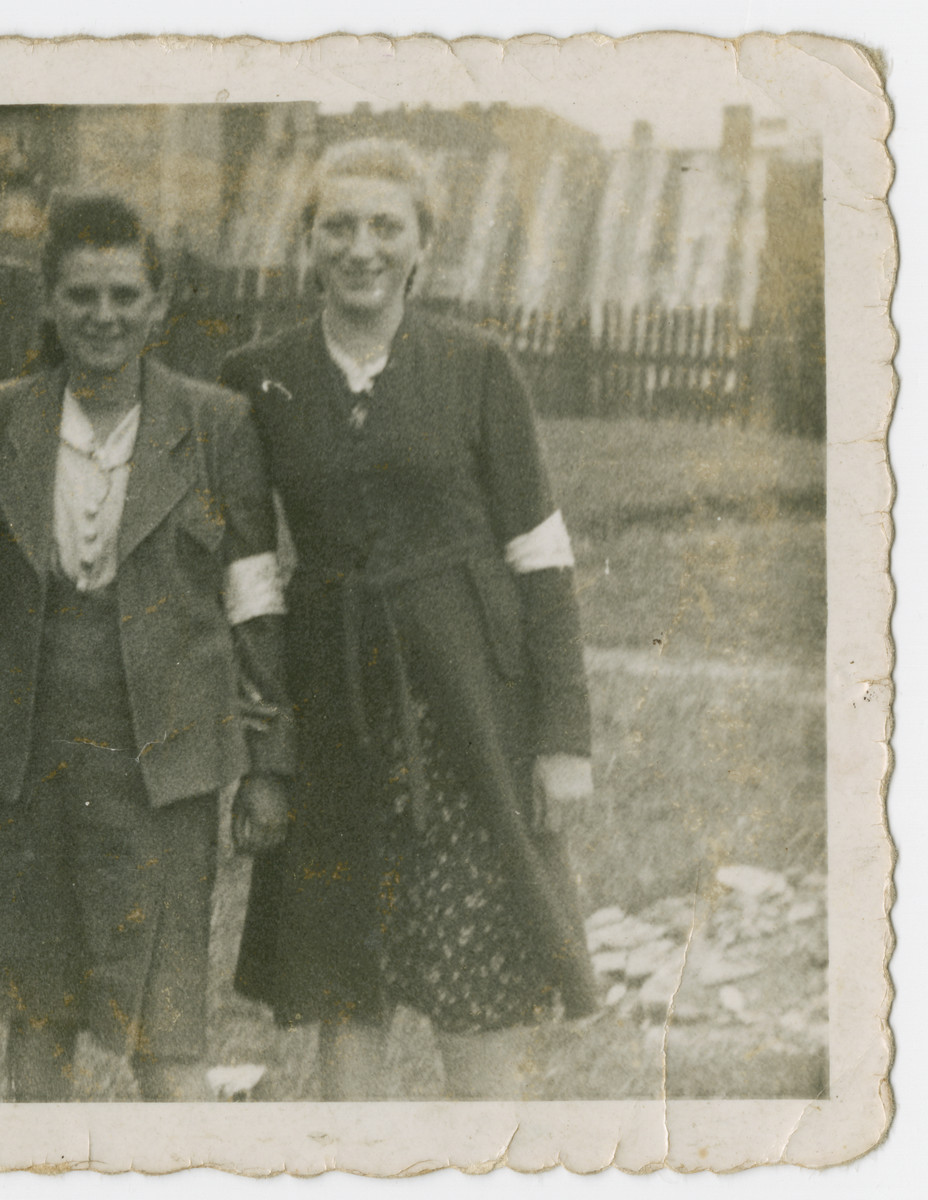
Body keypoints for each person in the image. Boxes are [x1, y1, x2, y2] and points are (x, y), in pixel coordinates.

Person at [219, 139, 599, 1101]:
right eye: (338, 226)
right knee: (348, 964)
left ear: (422, 245)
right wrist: (268, 748)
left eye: (386, 226)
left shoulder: (477, 366)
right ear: (307, 241)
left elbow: (541, 558)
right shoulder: (258, 376)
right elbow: (253, 580)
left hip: (469, 700)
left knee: (479, 961)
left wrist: (563, 739)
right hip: (335, 700)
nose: (361, 247)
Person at [0, 195, 293, 1102]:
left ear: (160, 303)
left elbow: (254, 598)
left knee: (166, 1023)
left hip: (163, 767)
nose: (104, 316)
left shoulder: (216, 425)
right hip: (25, 760)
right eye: (82, 294)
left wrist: (267, 763)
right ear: (48, 301)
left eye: (125, 295)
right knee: (38, 1012)